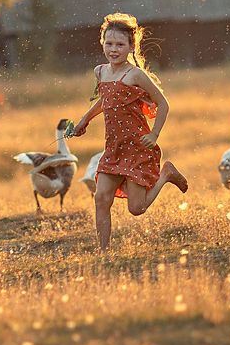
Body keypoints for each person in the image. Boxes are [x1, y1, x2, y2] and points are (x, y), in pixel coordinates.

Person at [71, 13, 188, 250]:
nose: (113, 49)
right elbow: (105, 100)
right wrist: (85, 119)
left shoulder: (135, 75)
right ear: (102, 42)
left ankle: (165, 174)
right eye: (109, 43)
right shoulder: (100, 71)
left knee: (137, 208)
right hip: (113, 148)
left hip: (137, 147)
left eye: (120, 45)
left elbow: (163, 103)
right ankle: (103, 252)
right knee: (101, 198)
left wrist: (154, 134)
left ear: (131, 47)